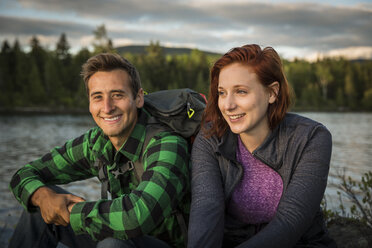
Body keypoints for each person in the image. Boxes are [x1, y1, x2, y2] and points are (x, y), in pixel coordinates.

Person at [9, 53, 190, 248]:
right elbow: (24, 174)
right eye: (98, 97)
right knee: (41, 207)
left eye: (117, 95)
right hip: (125, 237)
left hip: (170, 245)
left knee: (112, 245)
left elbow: (139, 215)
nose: (107, 107)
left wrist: (70, 211)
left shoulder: (167, 143)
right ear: (89, 103)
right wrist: (43, 198)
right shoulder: (96, 143)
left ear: (138, 98)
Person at [187, 44, 337, 248]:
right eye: (222, 93)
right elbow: (206, 207)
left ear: (272, 93)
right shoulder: (210, 138)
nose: (228, 105)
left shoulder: (311, 138)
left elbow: (291, 221)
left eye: (241, 91)